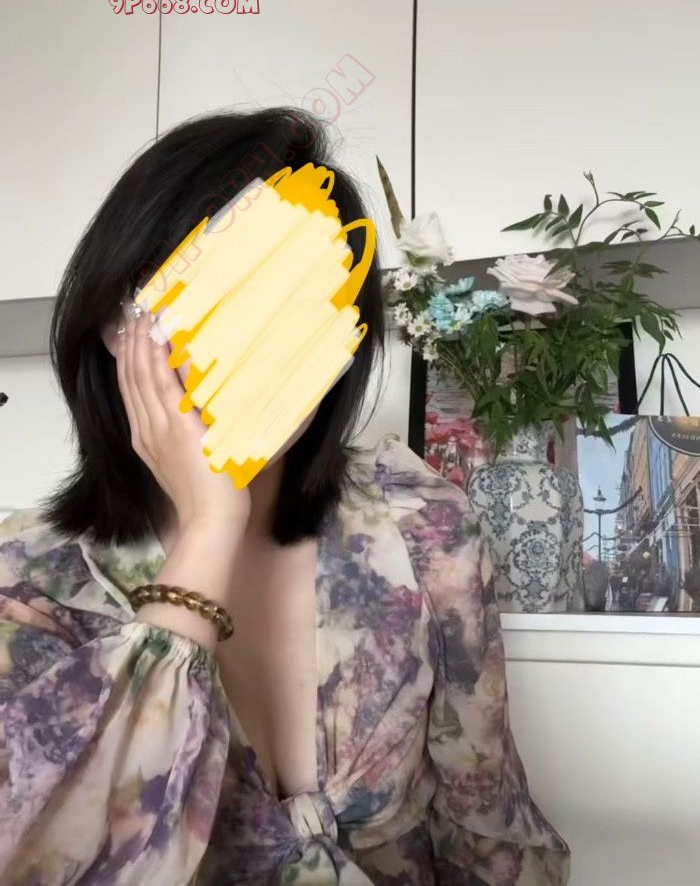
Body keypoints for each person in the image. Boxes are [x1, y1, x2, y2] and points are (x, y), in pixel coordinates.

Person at [0, 107, 570, 885]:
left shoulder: (426, 529)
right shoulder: (27, 580)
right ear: (114, 322)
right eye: (213, 298)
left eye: (296, 306)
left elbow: (488, 829)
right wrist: (209, 526)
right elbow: (51, 856)